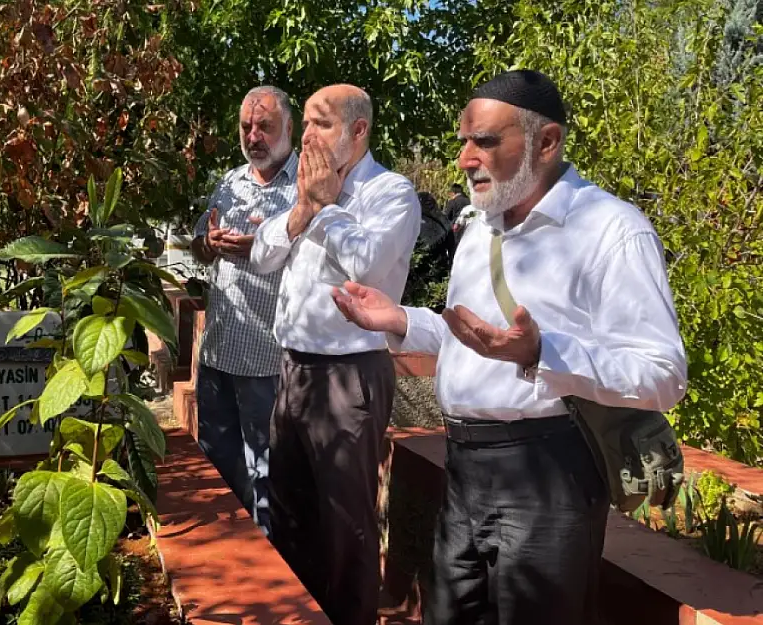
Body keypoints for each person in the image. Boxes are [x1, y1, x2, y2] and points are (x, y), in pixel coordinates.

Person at [331, 70, 688, 625]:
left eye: (486, 141)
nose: (465, 159)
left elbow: (664, 373)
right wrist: (400, 318)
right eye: (463, 142)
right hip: (464, 470)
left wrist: (543, 354)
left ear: (547, 142)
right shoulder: (480, 229)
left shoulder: (611, 229)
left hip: (548, 473)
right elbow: (473, 339)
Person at [249, 84, 421, 625]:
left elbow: (366, 267)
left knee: (346, 524)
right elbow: (260, 256)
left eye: (321, 124)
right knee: (290, 511)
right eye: (305, 124)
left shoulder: (390, 193)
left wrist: (322, 208)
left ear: (358, 131)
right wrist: (302, 208)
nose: (307, 137)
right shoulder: (306, 191)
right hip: (294, 371)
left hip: (350, 377)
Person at [189, 85, 298, 537]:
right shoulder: (229, 183)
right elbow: (197, 247)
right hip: (217, 353)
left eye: (265, 127)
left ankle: (271, 569)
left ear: (290, 129)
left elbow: (320, 262)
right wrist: (208, 245)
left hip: (266, 359)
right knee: (216, 463)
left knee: (266, 473)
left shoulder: (306, 189)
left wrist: (262, 247)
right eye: (246, 126)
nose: (253, 136)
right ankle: (227, 555)